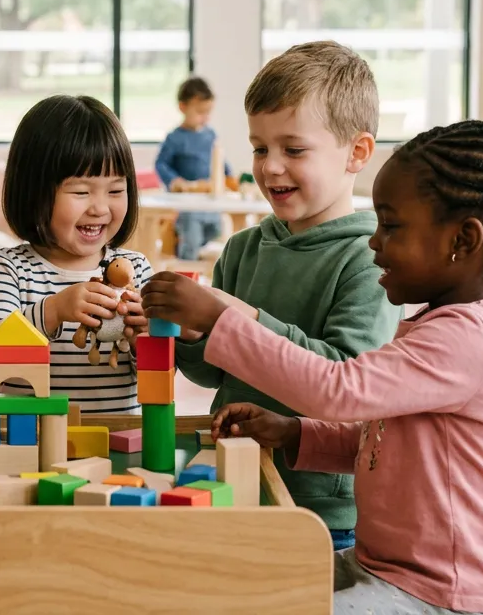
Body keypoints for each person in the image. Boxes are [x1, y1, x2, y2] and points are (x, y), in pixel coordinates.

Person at [144, 119, 483, 615]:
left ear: (462, 240)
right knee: (247, 588)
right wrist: (295, 433)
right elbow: (387, 442)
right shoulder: (437, 324)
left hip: (445, 594)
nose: (375, 243)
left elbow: (338, 390)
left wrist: (221, 318)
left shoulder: (470, 338)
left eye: (392, 227)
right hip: (382, 566)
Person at [170, 41, 401, 551]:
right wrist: (188, 334)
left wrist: (233, 316)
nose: (269, 167)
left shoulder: (370, 259)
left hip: (319, 506)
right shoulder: (242, 249)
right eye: (259, 148)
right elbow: (213, 372)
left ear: (356, 153)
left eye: (293, 150)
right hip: (234, 480)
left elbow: (346, 379)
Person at [0, 95, 151, 413]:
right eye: (81, 192)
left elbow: (160, 377)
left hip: (117, 444)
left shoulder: (136, 269)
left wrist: (145, 339)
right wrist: (54, 311)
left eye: (115, 190)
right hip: (30, 442)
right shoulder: (10, 268)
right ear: (35, 193)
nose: (99, 208)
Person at [153, 76, 233, 260]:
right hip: (188, 204)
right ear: (183, 107)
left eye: (208, 112)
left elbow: (220, 160)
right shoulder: (175, 138)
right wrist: (174, 181)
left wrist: (229, 176)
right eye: (200, 111)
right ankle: (185, 268)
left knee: (216, 230)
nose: (205, 117)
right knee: (192, 238)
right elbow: (161, 164)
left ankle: (193, 253)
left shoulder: (210, 134)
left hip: (210, 201)